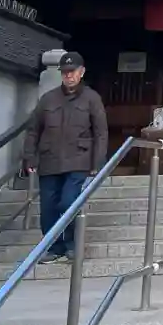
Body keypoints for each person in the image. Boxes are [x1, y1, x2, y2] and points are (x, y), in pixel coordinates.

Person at [21, 51, 108, 264]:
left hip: (79, 159)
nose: (69, 75)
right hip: (49, 160)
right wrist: (29, 157)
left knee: (68, 202)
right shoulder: (48, 99)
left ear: (82, 72)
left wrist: (98, 162)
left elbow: (100, 133)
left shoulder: (92, 98)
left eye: (73, 71)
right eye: (65, 72)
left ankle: (71, 244)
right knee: (48, 208)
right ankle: (53, 247)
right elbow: (33, 130)